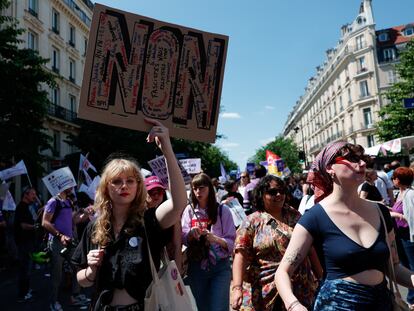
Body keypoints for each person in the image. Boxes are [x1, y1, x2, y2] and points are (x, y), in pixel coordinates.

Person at [275, 141, 414, 311]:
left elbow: (395, 267)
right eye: (352, 159)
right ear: (329, 167)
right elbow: (283, 272)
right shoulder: (314, 217)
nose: (362, 163)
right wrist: (294, 305)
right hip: (336, 306)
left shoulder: (381, 213)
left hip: (381, 304)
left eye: (361, 158)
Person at [71, 118, 187, 310]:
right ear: (106, 188)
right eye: (116, 181)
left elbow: (179, 204)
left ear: (138, 187)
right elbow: (83, 281)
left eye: (130, 181)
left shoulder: (149, 221)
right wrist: (91, 270)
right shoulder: (95, 227)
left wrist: (167, 149)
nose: (124, 185)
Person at [231, 175, 320, 311]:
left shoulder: (294, 216)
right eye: (272, 192)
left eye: (281, 191)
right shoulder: (252, 222)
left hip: (299, 288)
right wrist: (237, 288)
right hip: (264, 291)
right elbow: (240, 255)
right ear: (261, 195)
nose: (278, 195)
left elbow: (310, 248)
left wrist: (321, 277)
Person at [181, 173, 236, 311]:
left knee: (218, 307)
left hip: (220, 266)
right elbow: (183, 237)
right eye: (195, 188)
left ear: (210, 189)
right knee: (203, 307)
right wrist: (191, 234)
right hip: (197, 265)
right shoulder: (189, 210)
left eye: (202, 187)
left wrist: (215, 239)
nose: (198, 191)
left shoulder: (223, 211)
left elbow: (232, 243)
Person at [42, 186, 86, 311]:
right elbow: (45, 222)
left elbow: (73, 221)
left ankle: (75, 296)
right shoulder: (53, 201)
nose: (72, 187)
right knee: (57, 274)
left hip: (70, 242)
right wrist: (59, 235)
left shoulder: (68, 202)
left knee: (77, 268)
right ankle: (53, 302)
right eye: (69, 185)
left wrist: (85, 213)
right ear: (62, 185)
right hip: (57, 243)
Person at [144, 175, 183, 273]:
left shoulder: (172, 216)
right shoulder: (136, 215)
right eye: (151, 192)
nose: (156, 195)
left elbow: (177, 246)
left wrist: (177, 275)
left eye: (160, 191)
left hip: (160, 269)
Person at [390, 167, 414, 308]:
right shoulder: (400, 193)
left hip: (408, 236)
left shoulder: (409, 194)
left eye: (394, 177)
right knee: (405, 265)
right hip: (401, 235)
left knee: (411, 266)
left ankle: (412, 299)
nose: (393, 180)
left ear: (399, 180)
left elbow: (410, 218)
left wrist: (395, 215)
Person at [14, 187, 38, 302]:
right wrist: (35, 227)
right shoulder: (21, 207)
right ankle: (22, 294)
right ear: (26, 195)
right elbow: (23, 225)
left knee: (28, 266)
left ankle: (27, 289)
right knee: (24, 267)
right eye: (32, 194)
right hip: (24, 242)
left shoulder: (29, 207)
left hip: (29, 241)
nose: (35, 196)